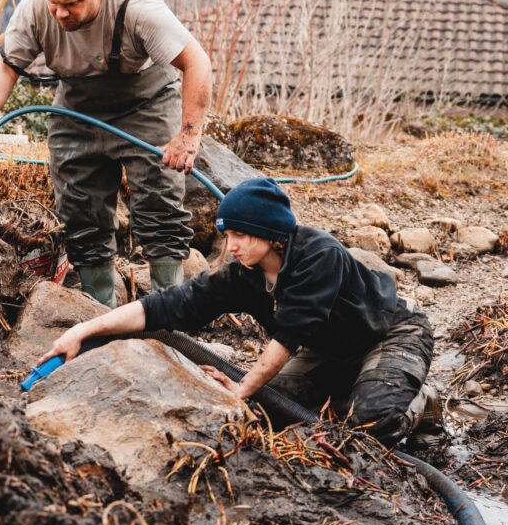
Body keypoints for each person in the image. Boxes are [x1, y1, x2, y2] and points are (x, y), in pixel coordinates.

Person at [38, 177, 438, 445]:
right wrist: (84, 330)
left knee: (370, 424)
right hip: (331, 350)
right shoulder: (242, 275)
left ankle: (422, 397)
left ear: (272, 234)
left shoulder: (320, 255)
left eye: (241, 235)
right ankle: (351, 387)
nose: (231, 247)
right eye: (227, 235)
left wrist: (242, 386)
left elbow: (288, 335)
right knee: (270, 409)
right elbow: (167, 306)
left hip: (389, 333)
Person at [0, 0, 213, 309]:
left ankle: (169, 310)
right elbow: (4, 68)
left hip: (146, 102)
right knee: (81, 212)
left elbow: (197, 62)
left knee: (159, 203)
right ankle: (99, 309)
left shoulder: (138, 8)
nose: (61, 13)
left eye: (72, 3)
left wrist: (188, 136)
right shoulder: (36, 8)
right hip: (78, 106)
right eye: (55, 2)